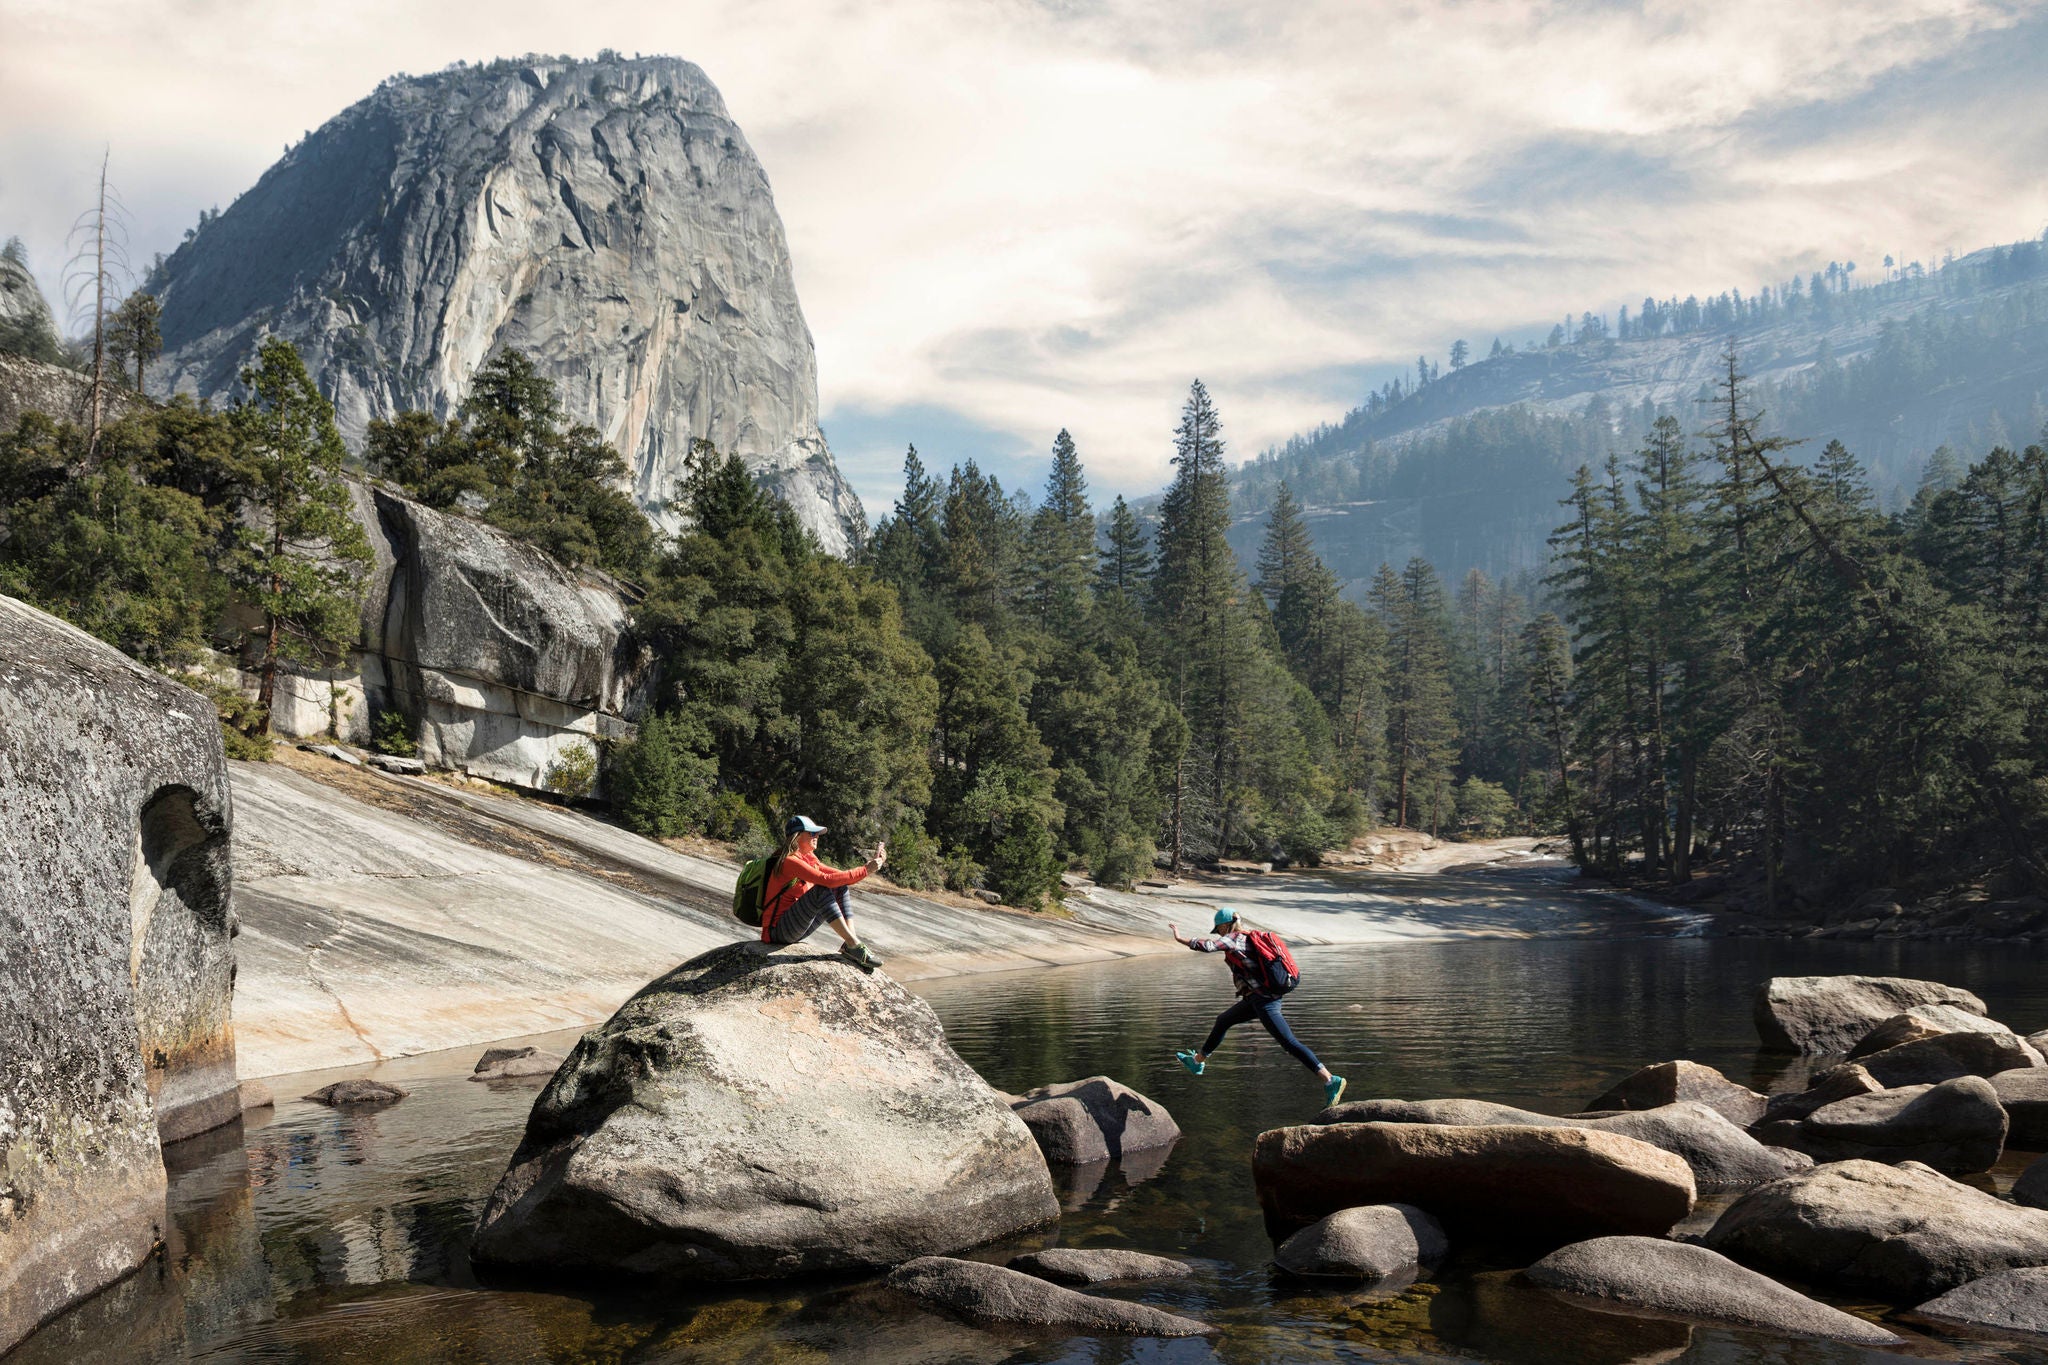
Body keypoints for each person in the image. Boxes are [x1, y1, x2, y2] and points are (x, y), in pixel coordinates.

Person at [1171, 907, 1345, 1107]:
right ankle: (1197, 1061)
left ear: (1226, 925)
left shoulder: (1233, 938)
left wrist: (1180, 938)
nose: (1219, 933)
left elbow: (1208, 946)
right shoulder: (1247, 937)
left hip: (1264, 1001)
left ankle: (1330, 1080)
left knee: (1288, 1042)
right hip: (1257, 998)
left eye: (1219, 929)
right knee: (1223, 1020)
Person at [760, 815, 888, 972]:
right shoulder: (789, 861)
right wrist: (866, 870)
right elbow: (825, 880)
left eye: (817, 833)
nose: (817, 836)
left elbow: (839, 878)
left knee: (840, 887)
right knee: (821, 890)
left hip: (795, 928)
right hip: (777, 932)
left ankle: (851, 943)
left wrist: (868, 868)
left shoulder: (809, 859)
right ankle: (853, 944)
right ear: (797, 836)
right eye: (812, 833)